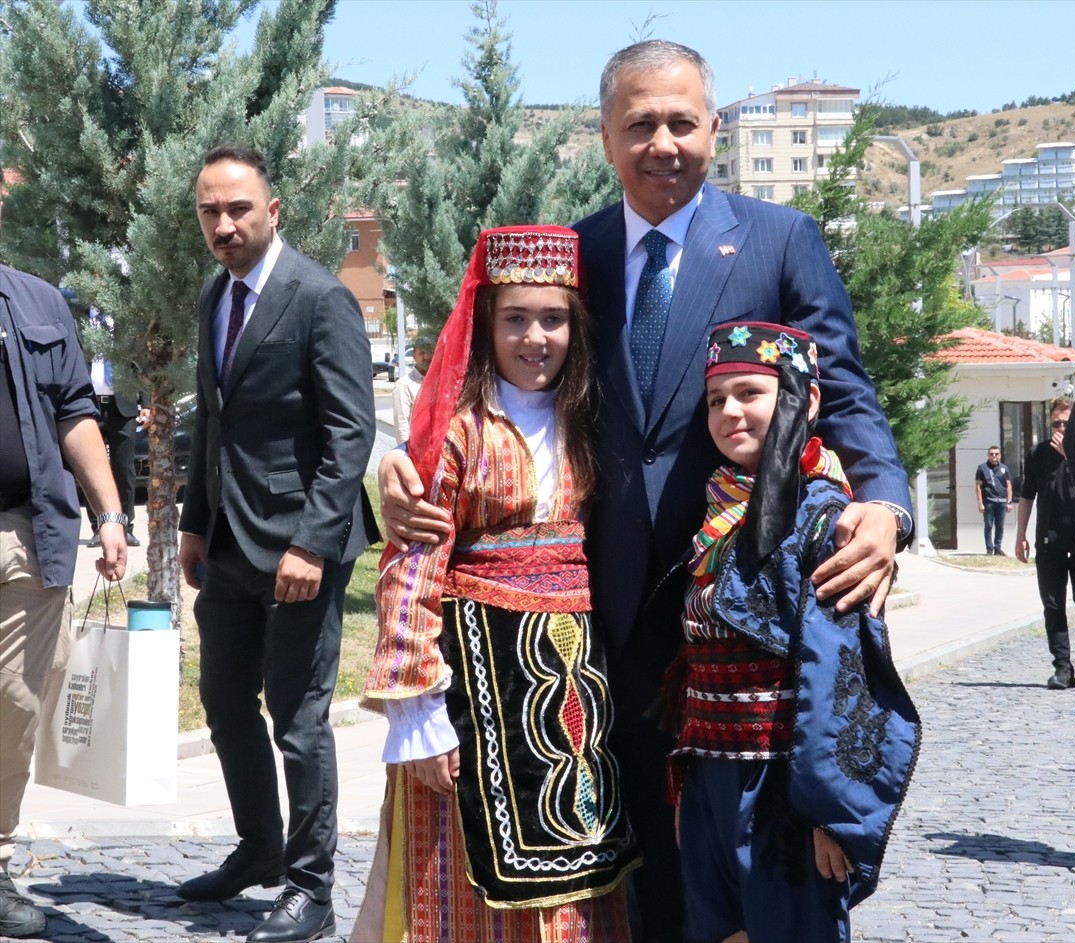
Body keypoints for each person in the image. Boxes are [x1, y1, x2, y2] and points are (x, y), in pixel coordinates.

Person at [376, 40, 913, 942]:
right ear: (605, 136)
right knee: (633, 875)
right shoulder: (570, 253)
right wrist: (398, 469)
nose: (662, 143)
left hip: (740, 616)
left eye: (681, 122)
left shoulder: (780, 240)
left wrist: (887, 507)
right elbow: (485, 381)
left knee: (753, 868)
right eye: (639, 125)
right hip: (592, 626)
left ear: (715, 128)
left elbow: (846, 391)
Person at [351, 226, 638, 943]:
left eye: (553, 319)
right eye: (515, 318)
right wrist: (421, 712)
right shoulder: (456, 433)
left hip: (572, 689)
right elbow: (413, 567)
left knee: (578, 860)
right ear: (485, 323)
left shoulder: (590, 425)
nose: (535, 338)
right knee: (459, 868)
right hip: (472, 694)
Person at [176, 145, 378, 943]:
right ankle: (258, 846)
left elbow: (350, 431)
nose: (224, 225)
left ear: (273, 210)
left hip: (301, 548)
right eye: (210, 212)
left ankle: (310, 887)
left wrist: (313, 544)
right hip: (229, 543)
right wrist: (194, 520)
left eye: (238, 209)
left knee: (299, 720)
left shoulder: (320, 297)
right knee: (225, 703)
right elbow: (213, 421)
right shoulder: (214, 295)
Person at [662, 321, 919, 942]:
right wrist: (693, 784)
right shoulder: (717, 510)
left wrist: (831, 811)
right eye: (716, 399)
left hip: (785, 792)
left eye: (750, 393)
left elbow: (844, 672)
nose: (729, 412)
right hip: (711, 777)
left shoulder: (828, 521)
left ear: (805, 401)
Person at [0, 263, 128, 938]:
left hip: (29, 535)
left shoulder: (39, 301)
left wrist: (109, 512)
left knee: (15, 709)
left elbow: (75, 410)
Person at [1014, 398, 1075, 690]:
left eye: (1067, 423)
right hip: (1050, 539)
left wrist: (1070, 454)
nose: (1062, 428)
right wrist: (1020, 534)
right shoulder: (1038, 454)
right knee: (1053, 606)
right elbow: (1027, 495)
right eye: (1056, 423)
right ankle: (1062, 667)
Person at [82, 306, 144, 549]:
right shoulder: (78, 318)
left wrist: (147, 404)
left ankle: (126, 527)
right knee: (91, 469)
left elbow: (140, 364)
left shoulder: (125, 317)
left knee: (124, 468)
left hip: (122, 406)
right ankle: (98, 527)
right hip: (89, 406)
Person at [390, 334, 433, 444]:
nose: (427, 356)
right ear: (414, 356)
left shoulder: (441, 382)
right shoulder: (404, 385)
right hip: (416, 449)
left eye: (430, 352)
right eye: (422, 353)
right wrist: (407, 452)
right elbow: (402, 425)